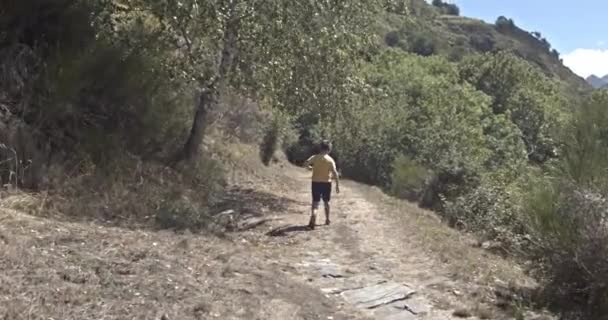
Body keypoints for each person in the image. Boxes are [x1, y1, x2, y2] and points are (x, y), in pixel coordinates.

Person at [304, 140, 340, 230]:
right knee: (326, 202)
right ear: (329, 149)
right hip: (326, 183)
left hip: (315, 182)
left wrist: (310, 167)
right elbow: (335, 173)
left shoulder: (315, 157)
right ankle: (327, 219)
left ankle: (314, 215)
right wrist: (337, 185)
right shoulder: (330, 160)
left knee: (315, 202)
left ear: (320, 148)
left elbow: (305, 163)